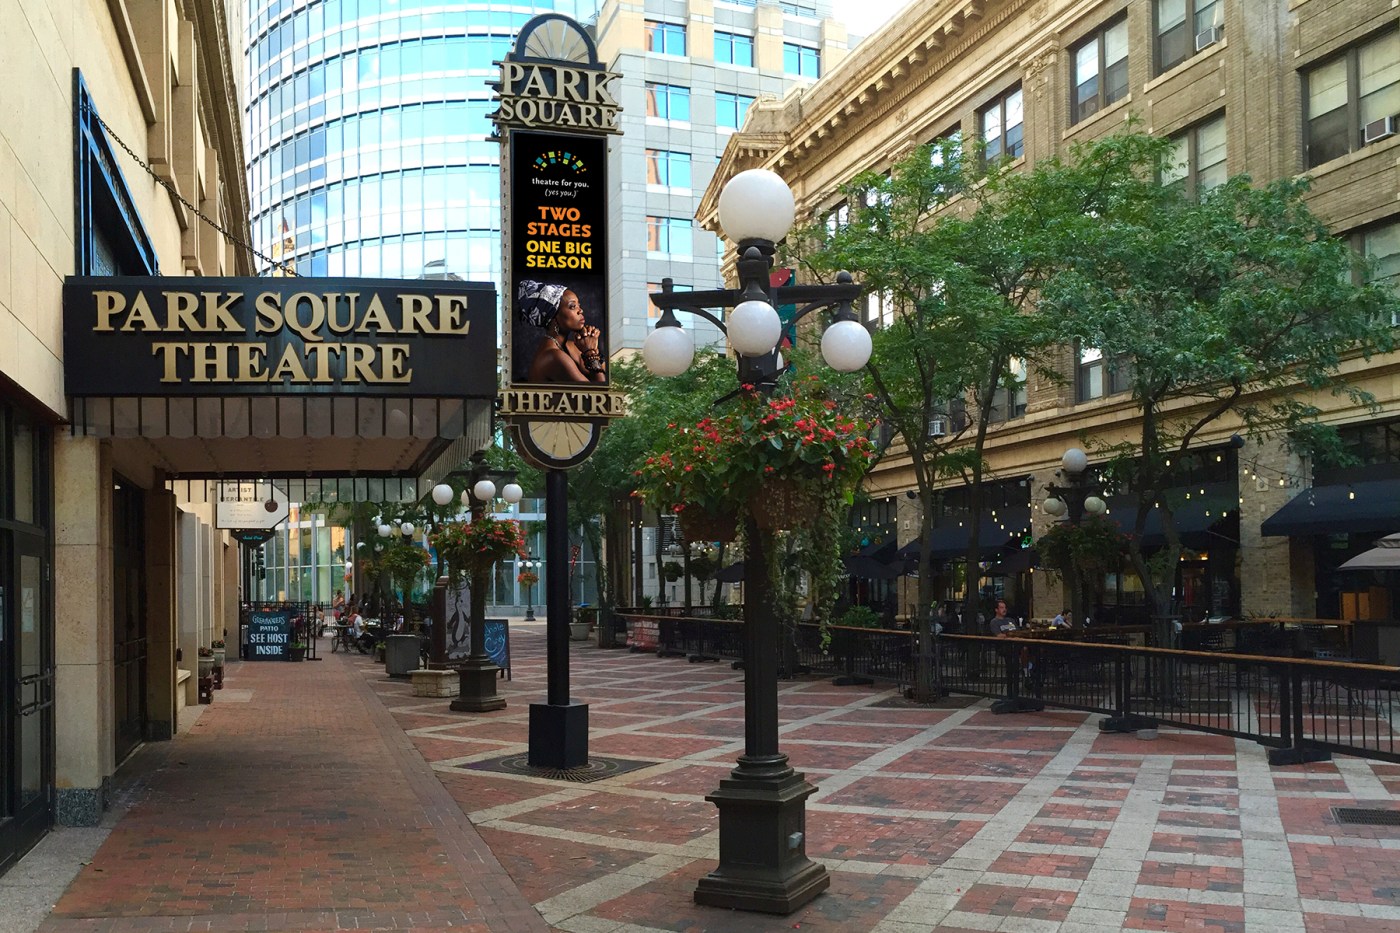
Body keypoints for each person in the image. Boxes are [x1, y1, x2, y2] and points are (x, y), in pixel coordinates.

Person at [519, 279, 607, 383]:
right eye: (572, 306)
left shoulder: (573, 345)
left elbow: (606, 374)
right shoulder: (553, 357)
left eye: (579, 305)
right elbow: (600, 390)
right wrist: (590, 353)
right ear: (553, 317)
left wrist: (592, 348)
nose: (580, 310)